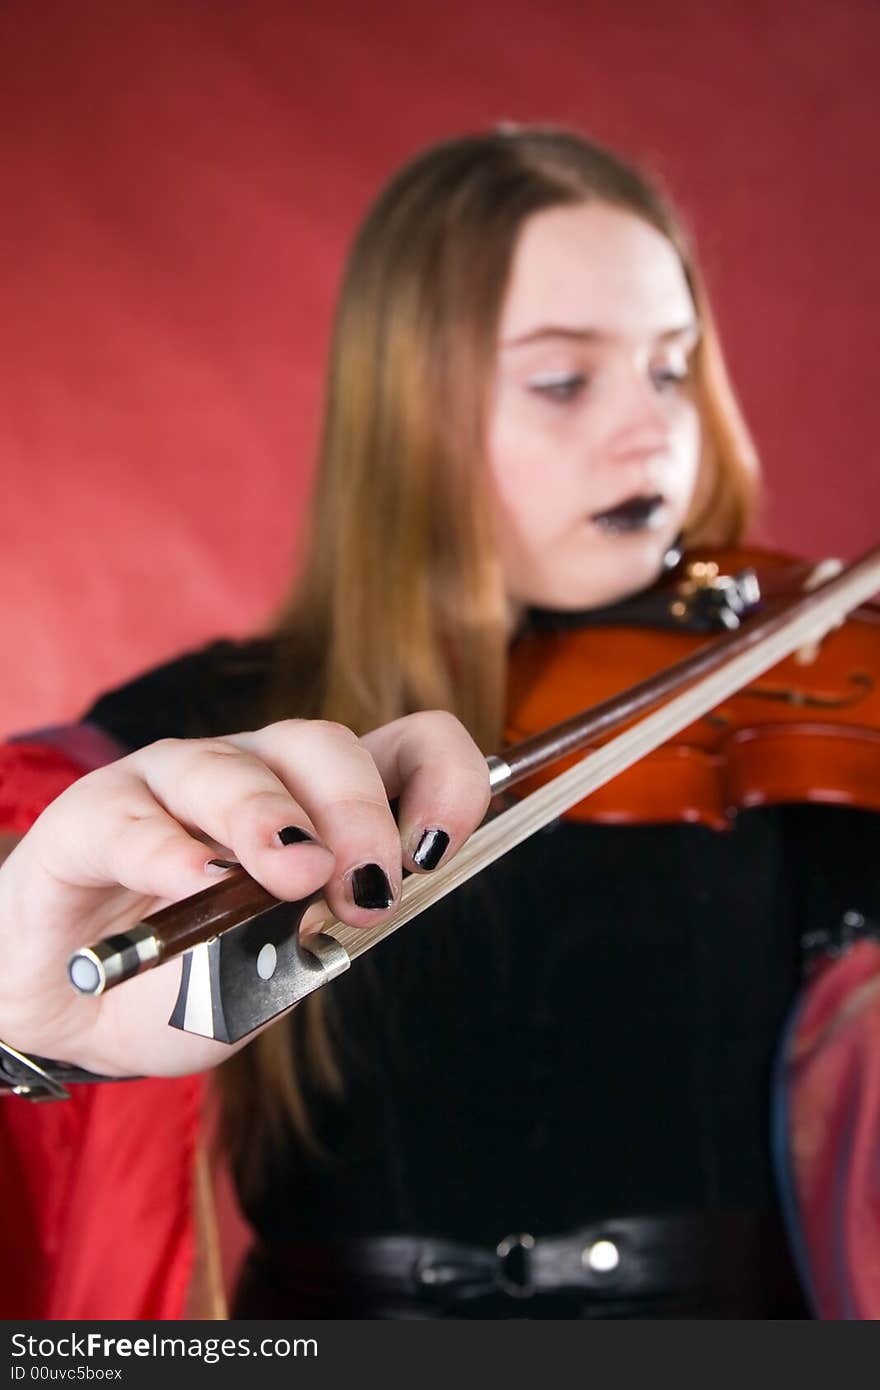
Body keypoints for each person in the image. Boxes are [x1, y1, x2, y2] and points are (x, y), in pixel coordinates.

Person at [1, 127, 878, 1321]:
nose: (650, 435)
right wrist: (23, 1013)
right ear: (409, 408)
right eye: (565, 380)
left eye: (670, 369)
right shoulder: (209, 736)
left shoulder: (795, 719)